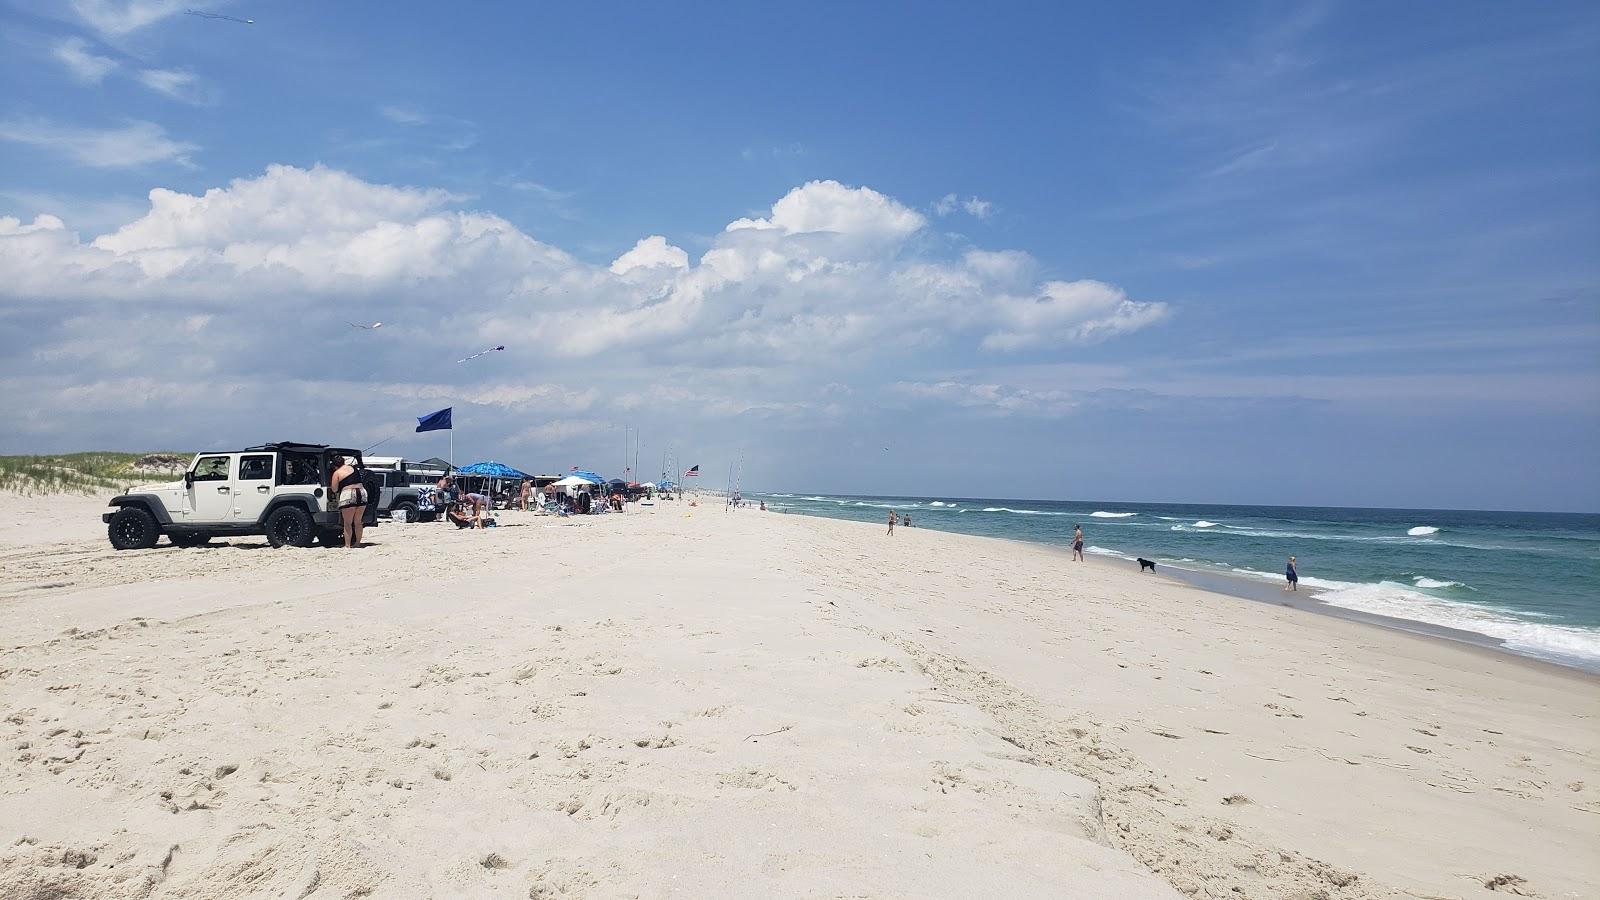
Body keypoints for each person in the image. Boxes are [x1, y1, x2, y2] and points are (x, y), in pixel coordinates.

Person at [329, 454, 366, 548]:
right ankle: (358, 543)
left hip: (348, 493)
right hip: (362, 492)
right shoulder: (353, 468)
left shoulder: (337, 473)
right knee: (358, 521)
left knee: (347, 523)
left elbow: (334, 489)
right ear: (344, 461)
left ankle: (347, 545)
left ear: (334, 465)